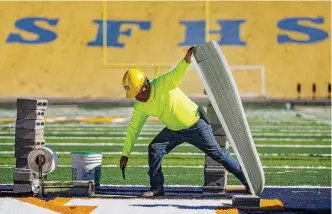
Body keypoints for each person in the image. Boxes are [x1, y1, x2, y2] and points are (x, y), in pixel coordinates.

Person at [119, 47, 250, 197]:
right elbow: (133, 129)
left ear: (145, 86)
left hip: (196, 124)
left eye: (137, 93)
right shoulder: (140, 106)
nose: (137, 98)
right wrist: (125, 154)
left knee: (218, 154)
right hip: (174, 130)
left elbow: (178, 72)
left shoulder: (163, 83)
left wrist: (186, 60)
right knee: (154, 148)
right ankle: (157, 188)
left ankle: (248, 181)